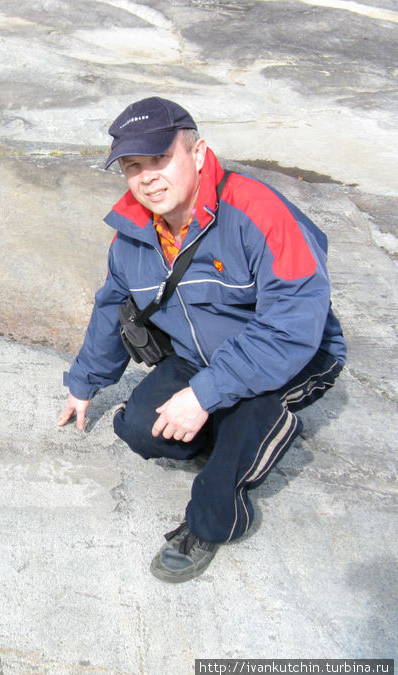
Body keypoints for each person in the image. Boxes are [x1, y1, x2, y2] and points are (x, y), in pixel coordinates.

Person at [57, 97, 346, 583]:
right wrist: (85, 382)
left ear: (197, 153)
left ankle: (216, 519)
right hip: (198, 355)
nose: (146, 177)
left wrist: (205, 395)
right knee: (138, 429)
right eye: (132, 166)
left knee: (246, 419)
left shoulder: (260, 211)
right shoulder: (131, 233)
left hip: (294, 354)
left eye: (159, 158)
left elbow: (293, 325)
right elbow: (112, 307)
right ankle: (235, 433)